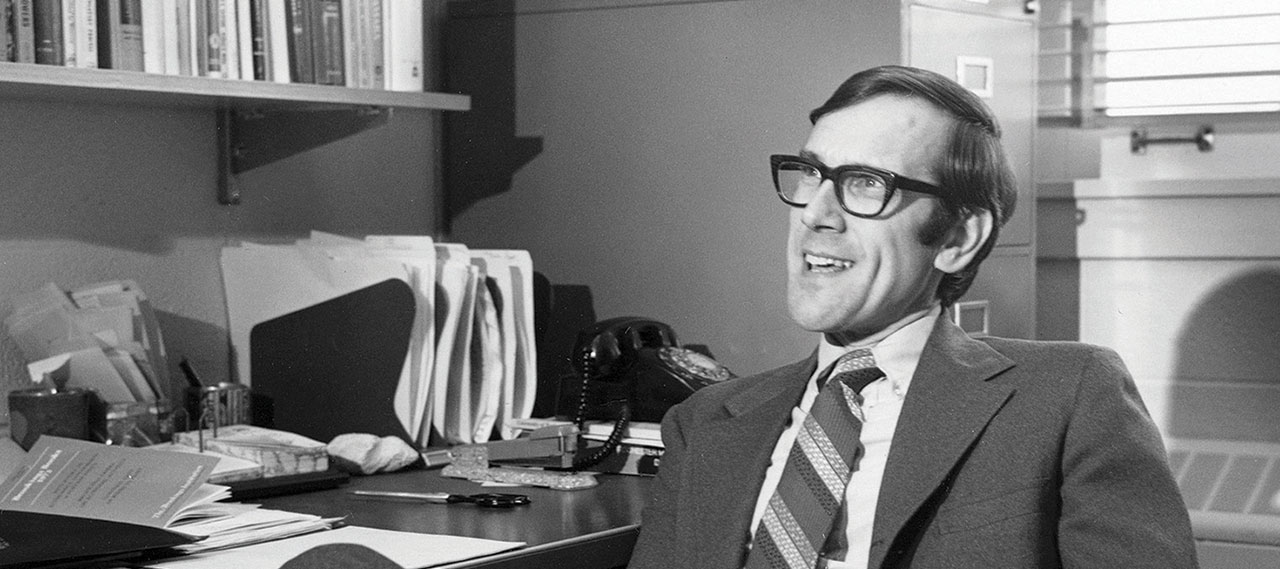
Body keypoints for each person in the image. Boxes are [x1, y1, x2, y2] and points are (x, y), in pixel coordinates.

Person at [627, 65, 1197, 569]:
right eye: (811, 174)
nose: (816, 214)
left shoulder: (1067, 398)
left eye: (866, 183)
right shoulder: (703, 423)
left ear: (957, 237)